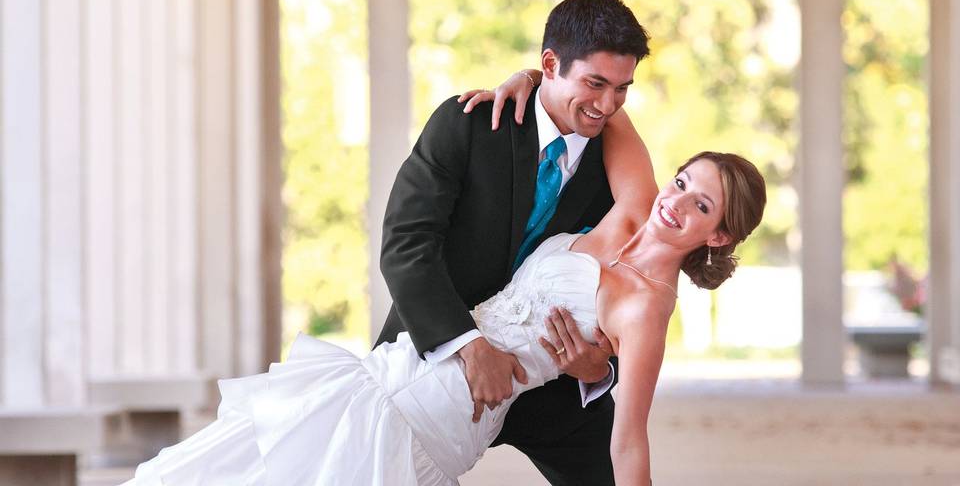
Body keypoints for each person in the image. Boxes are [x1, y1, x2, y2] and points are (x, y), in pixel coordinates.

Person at [121, 142, 765, 486]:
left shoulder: (648, 309)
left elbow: (628, 439)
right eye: (683, 182)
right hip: (410, 361)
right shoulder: (631, 207)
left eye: (702, 207)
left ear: (716, 237)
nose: (677, 203)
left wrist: (597, 368)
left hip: (449, 414)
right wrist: (528, 78)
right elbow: (598, 103)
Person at [377, 0, 655, 485]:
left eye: (622, 88)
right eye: (595, 83)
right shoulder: (468, 126)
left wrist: (599, 368)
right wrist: (467, 345)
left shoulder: (613, 168)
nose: (608, 105)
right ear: (550, 63)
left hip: (549, 380)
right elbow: (406, 245)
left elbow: (630, 275)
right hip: (438, 360)